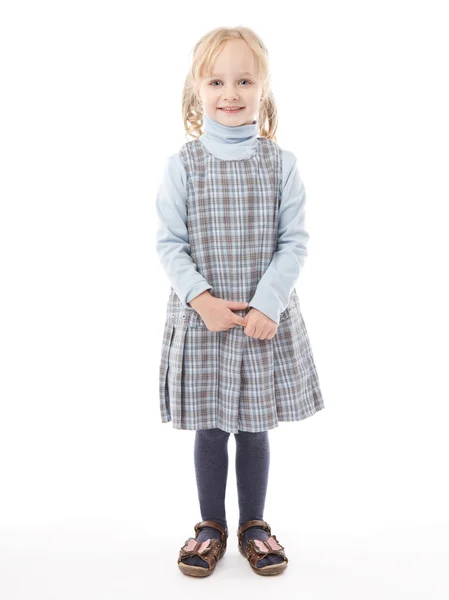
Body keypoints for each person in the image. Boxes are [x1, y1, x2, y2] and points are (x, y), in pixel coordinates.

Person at [155, 25, 325, 577]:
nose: (231, 92)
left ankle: (254, 524)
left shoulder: (281, 165)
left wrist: (268, 303)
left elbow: (294, 241)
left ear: (263, 90)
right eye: (217, 80)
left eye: (244, 80)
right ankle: (211, 525)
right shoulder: (184, 165)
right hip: (206, 321)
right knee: (211, 426)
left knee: (253, 427)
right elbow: (170, 243)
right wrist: (201, 299)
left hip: (261, 322)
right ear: (196, 91)